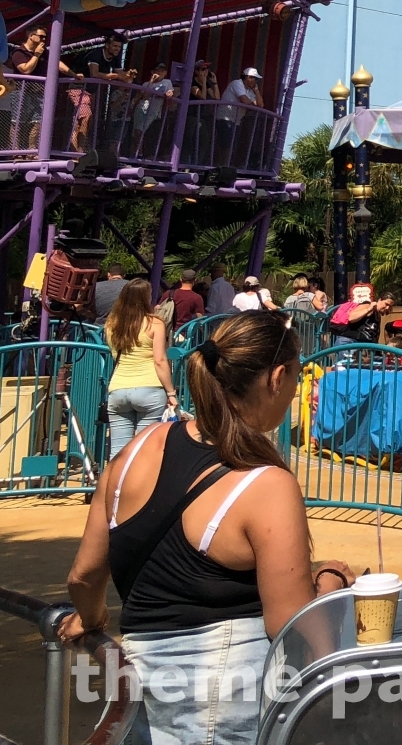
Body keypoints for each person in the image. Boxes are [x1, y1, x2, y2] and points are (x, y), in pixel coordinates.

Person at [61, 312, 360, 744]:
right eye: (296, 378)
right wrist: (331, 582)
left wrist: (90, 619)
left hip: (144, 697)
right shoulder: (265, 484)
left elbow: (83, 576)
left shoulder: (139, 449)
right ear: (277, 378)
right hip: (226, 704)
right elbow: (292, 627)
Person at [105, 280, 178, 454]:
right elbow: (159, 360)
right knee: (145, 450)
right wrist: (171, 392)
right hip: (149, 388)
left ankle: (115, 473)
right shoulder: (155, 324)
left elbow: (114, 355)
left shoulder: (111, 324)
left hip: (118, 388)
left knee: (118, 452)